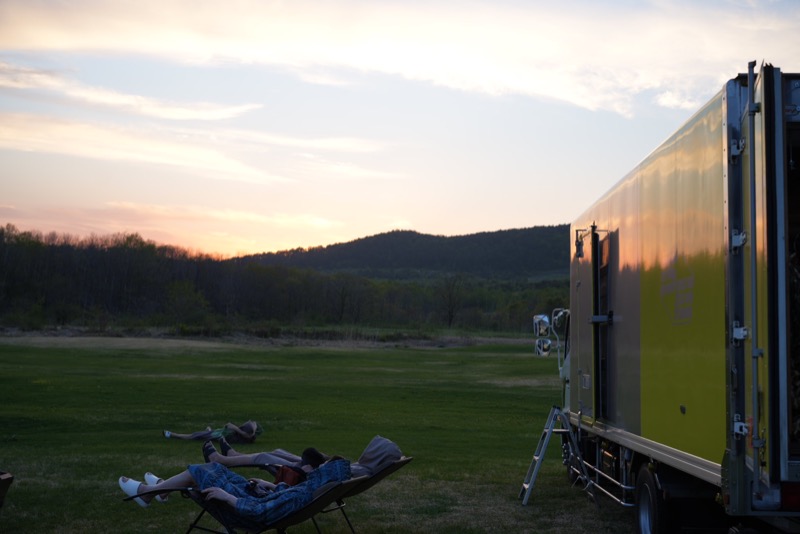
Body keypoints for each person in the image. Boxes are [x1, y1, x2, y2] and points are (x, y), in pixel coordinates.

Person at [118, 457, 351, 529]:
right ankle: (162, 490)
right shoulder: (312, 489)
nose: (319, 466)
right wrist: (270, 485)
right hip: (255, 497)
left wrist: (227, 496)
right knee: (216, 469)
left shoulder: (303, 495)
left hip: (243, 509)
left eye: (323, 466)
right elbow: (286, 495)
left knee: (205, 471)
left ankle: (150, 492)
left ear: (325, 473)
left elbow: (259, 512)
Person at [206, 435, 403, 478]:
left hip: (306, 476)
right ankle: (235, 455)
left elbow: (326, 473)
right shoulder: (364, 468)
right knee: (278, 451)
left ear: (376, 456)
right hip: (315, 470)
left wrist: (317, 462)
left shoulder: (361, 470)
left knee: (267, 456)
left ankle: (222, 460)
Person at [163, 420, 263, 443]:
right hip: (217, 433)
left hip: (215, 434)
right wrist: (252, 432)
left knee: (193, 436)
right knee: (205, 434)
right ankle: (208, 430)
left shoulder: (236, 434)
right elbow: (253, 422)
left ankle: (171, 434)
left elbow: (228, 425)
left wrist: (238, 430)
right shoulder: (246, 434)